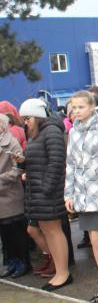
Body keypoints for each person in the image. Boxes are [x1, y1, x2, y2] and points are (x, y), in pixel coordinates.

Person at [64, 91, 98, 303]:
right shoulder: (75, 131)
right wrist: (68, 193)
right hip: (82, 195)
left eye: (80, 107)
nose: (76, 111)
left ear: (91, 107)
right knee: (95, 242)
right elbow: (71, 165)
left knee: (97, 241)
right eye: (73, 108)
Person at [19, 98, 72, 291]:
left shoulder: (50, 131)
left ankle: (63, 273)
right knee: (49, 233)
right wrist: (23, 163)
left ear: (37, 116)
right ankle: (59, 271)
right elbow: (40, 160)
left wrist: (46, 188)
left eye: (28, 118)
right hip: (40, 193)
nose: (26, 122)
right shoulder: (38, 133)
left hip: (48, 193)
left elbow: (57, 162)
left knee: (54, 232)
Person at [0, 114, 29, 278]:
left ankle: (23, 262)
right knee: (5, 234)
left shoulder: (11, 141)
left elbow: (19, 167)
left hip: (10, 193)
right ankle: (11, 261)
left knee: (16, 231)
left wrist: (2, 179)